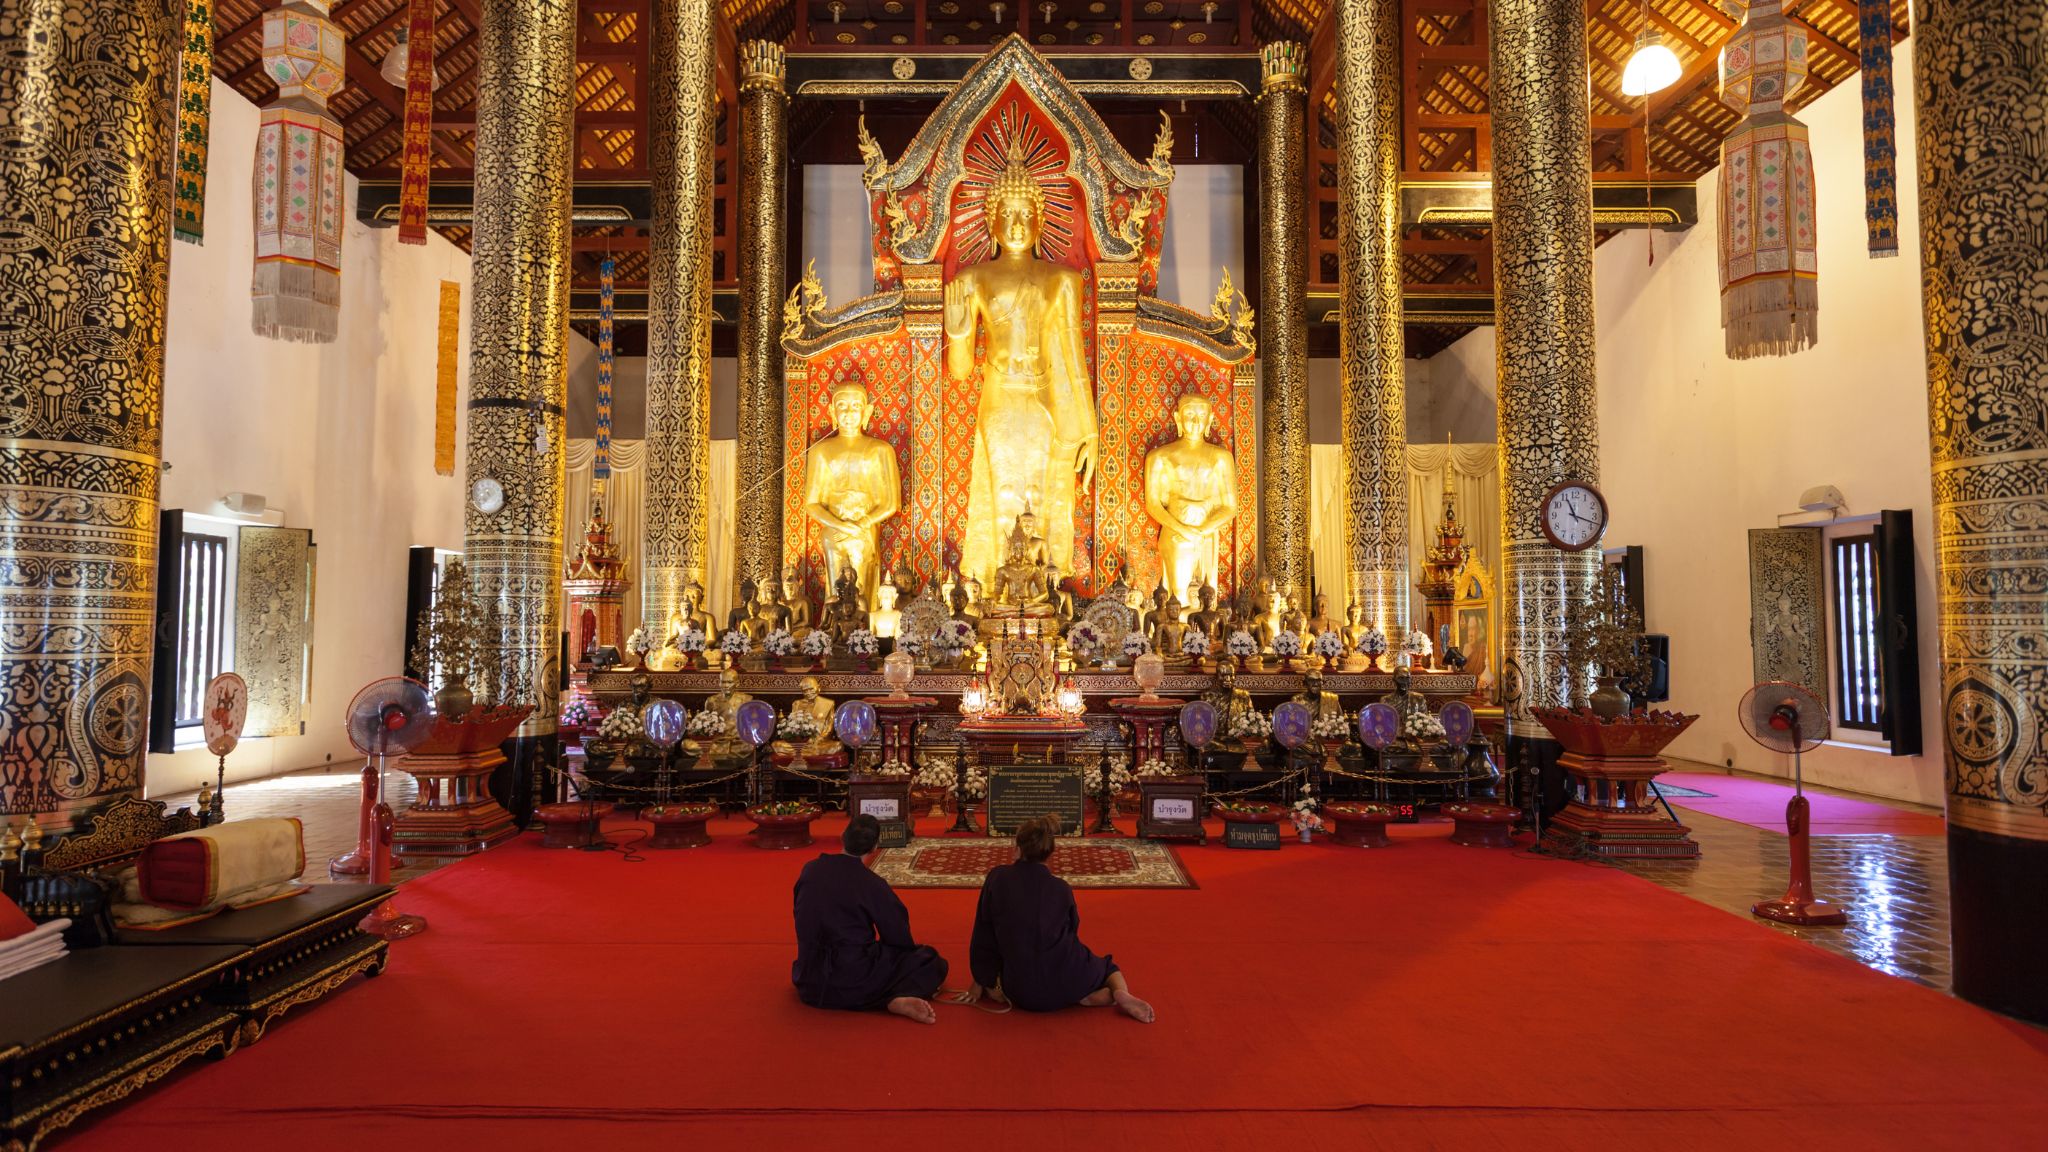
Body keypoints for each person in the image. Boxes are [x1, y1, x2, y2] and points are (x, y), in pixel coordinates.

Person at [961, 814, 1154, 1022]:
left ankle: (1082, 996)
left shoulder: (997, 877)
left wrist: (981, 980)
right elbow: (1072, 928)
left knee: (1000, 986)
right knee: (1109, 968)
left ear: (1017, 849)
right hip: (1065, 976)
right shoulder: (1061, 888)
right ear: (1050, 853)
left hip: (1020, 992)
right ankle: (1114, 994)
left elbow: (984, 932)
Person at [791, 814, 949, 1024]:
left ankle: (882, 997)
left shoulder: (810, 870)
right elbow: (898, 937)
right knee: (931, 961)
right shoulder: (872, 884)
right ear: (874, 847)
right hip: (852, 978)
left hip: (809, 978)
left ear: (842, 836)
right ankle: (888, 999)